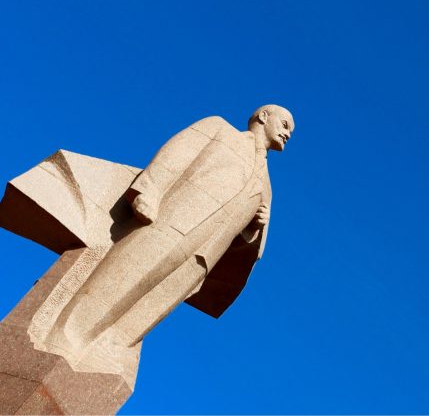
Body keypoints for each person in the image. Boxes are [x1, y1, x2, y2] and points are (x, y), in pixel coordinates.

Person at [45, 105, 294, 357]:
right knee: (120, 277)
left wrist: (254, 228)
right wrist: (149, 191)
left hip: (203, 257)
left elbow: (247, 248)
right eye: (285, 125)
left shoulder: (267, 186)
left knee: (147, 310)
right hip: (173, 221)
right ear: (263, 116)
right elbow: (176, 155)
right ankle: (61, 338)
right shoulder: (219, 128)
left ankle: (105, 351)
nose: (288, 134)